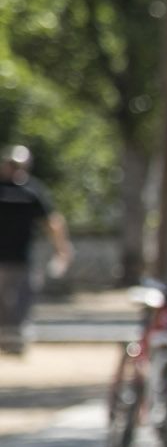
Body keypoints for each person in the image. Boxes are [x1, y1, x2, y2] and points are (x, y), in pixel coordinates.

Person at [0, 145, 72, 354]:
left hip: (22, 257)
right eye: (12, 164)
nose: (15, 169)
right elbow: (53, 223)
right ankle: (8, 340)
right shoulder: (19, 190)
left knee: (22, 299)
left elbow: (52, 222)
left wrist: (62, 250)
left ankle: (15, 341)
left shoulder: (32, 191)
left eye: (19, 165)